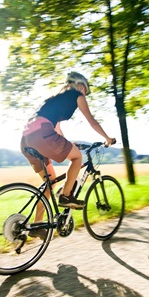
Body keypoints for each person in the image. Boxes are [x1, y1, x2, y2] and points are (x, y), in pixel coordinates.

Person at [21, 71, 116, 214]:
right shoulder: (77, 96)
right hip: (42, 134)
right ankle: (66, 196)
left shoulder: (55, 99)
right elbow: (92, 121)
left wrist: (68, 143)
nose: (85, 93)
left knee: (50, 183)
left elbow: (57, 130)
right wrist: (107, 138)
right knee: (77, 157)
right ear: (79, 85)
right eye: (85, 89)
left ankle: (36, 226)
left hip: (27, 138)